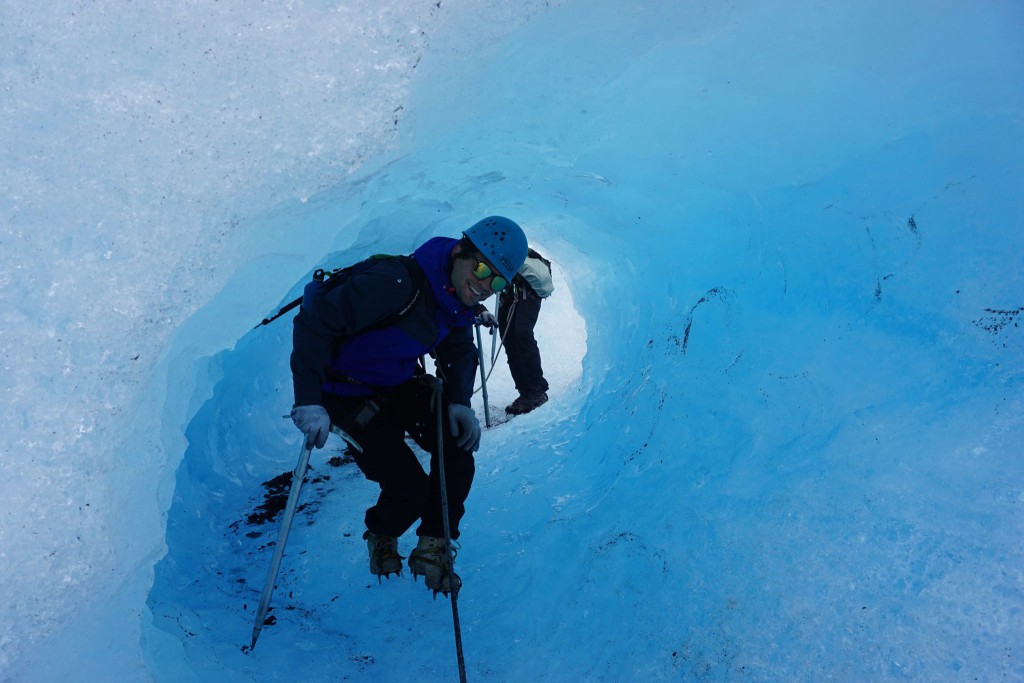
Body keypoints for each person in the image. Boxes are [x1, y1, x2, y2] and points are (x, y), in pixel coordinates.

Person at [288, 216, 527, 595]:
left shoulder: (455, 296)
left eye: (497, 281)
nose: (485, 286)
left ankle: (434, 545)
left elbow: (459, 349)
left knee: (458, 446)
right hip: (347, 393)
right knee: (409, 488)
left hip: (397, 383)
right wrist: (309, 399)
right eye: (482, 268)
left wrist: (459, 402)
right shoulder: (397, 283)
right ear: (459, 251)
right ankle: (381, 532)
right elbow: (316, 322)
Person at [478, 248, 554, 416]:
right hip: (508, 295)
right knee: (509, 340)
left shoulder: (512, 248)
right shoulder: (488, 253)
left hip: (527, 292)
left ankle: (537, 389)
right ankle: (525, 391)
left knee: (522, 333)